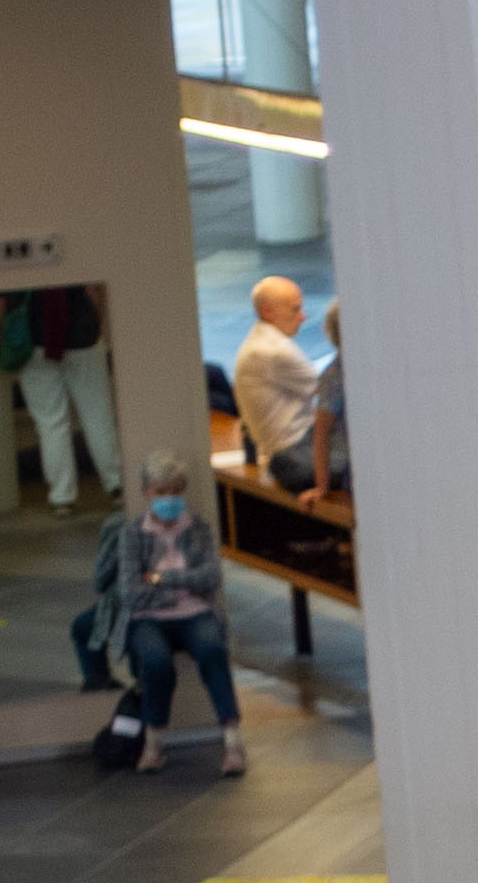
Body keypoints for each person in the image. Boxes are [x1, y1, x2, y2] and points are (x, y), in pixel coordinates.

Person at [98, 455, 242, 777]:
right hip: (147, 618)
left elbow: (210, 578)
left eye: (176, 491)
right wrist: (179, 590)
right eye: (161, 491)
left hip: (195, 614)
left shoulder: (197, 528)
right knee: (155, 662)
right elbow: (131, 593)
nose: (170, 498)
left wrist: (159, 578)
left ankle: (233, 741)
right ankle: (155, 743)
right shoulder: (133, 535)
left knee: (213, 650)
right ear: (147, 492)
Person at [230, 269, 325, 486]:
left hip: (282, 450)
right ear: (268, 311)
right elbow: (328, 391)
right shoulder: (275, 349)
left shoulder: (257, 342)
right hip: (295, 453)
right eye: (295, 309)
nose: (303, 317)